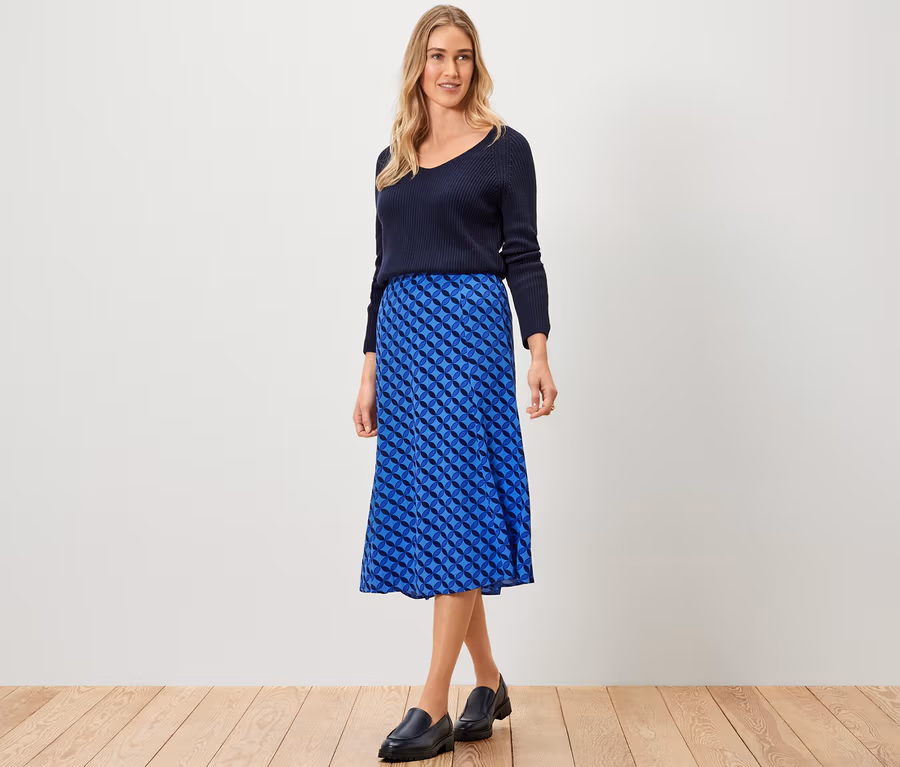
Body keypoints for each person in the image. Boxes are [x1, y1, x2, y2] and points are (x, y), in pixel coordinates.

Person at [351, 5, 558, 762]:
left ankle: (432, 700)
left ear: (476, 65)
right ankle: (489, 682)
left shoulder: (505, 149)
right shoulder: (393, 158)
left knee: (461, 506)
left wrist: (538, 350)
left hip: (468, 338)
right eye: (437, 55)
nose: (450, 69)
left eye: (463, 55)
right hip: (406, 345)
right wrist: (369, 367)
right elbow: (382, 270)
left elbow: (523, 254)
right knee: (439, 509)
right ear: (419, 65)